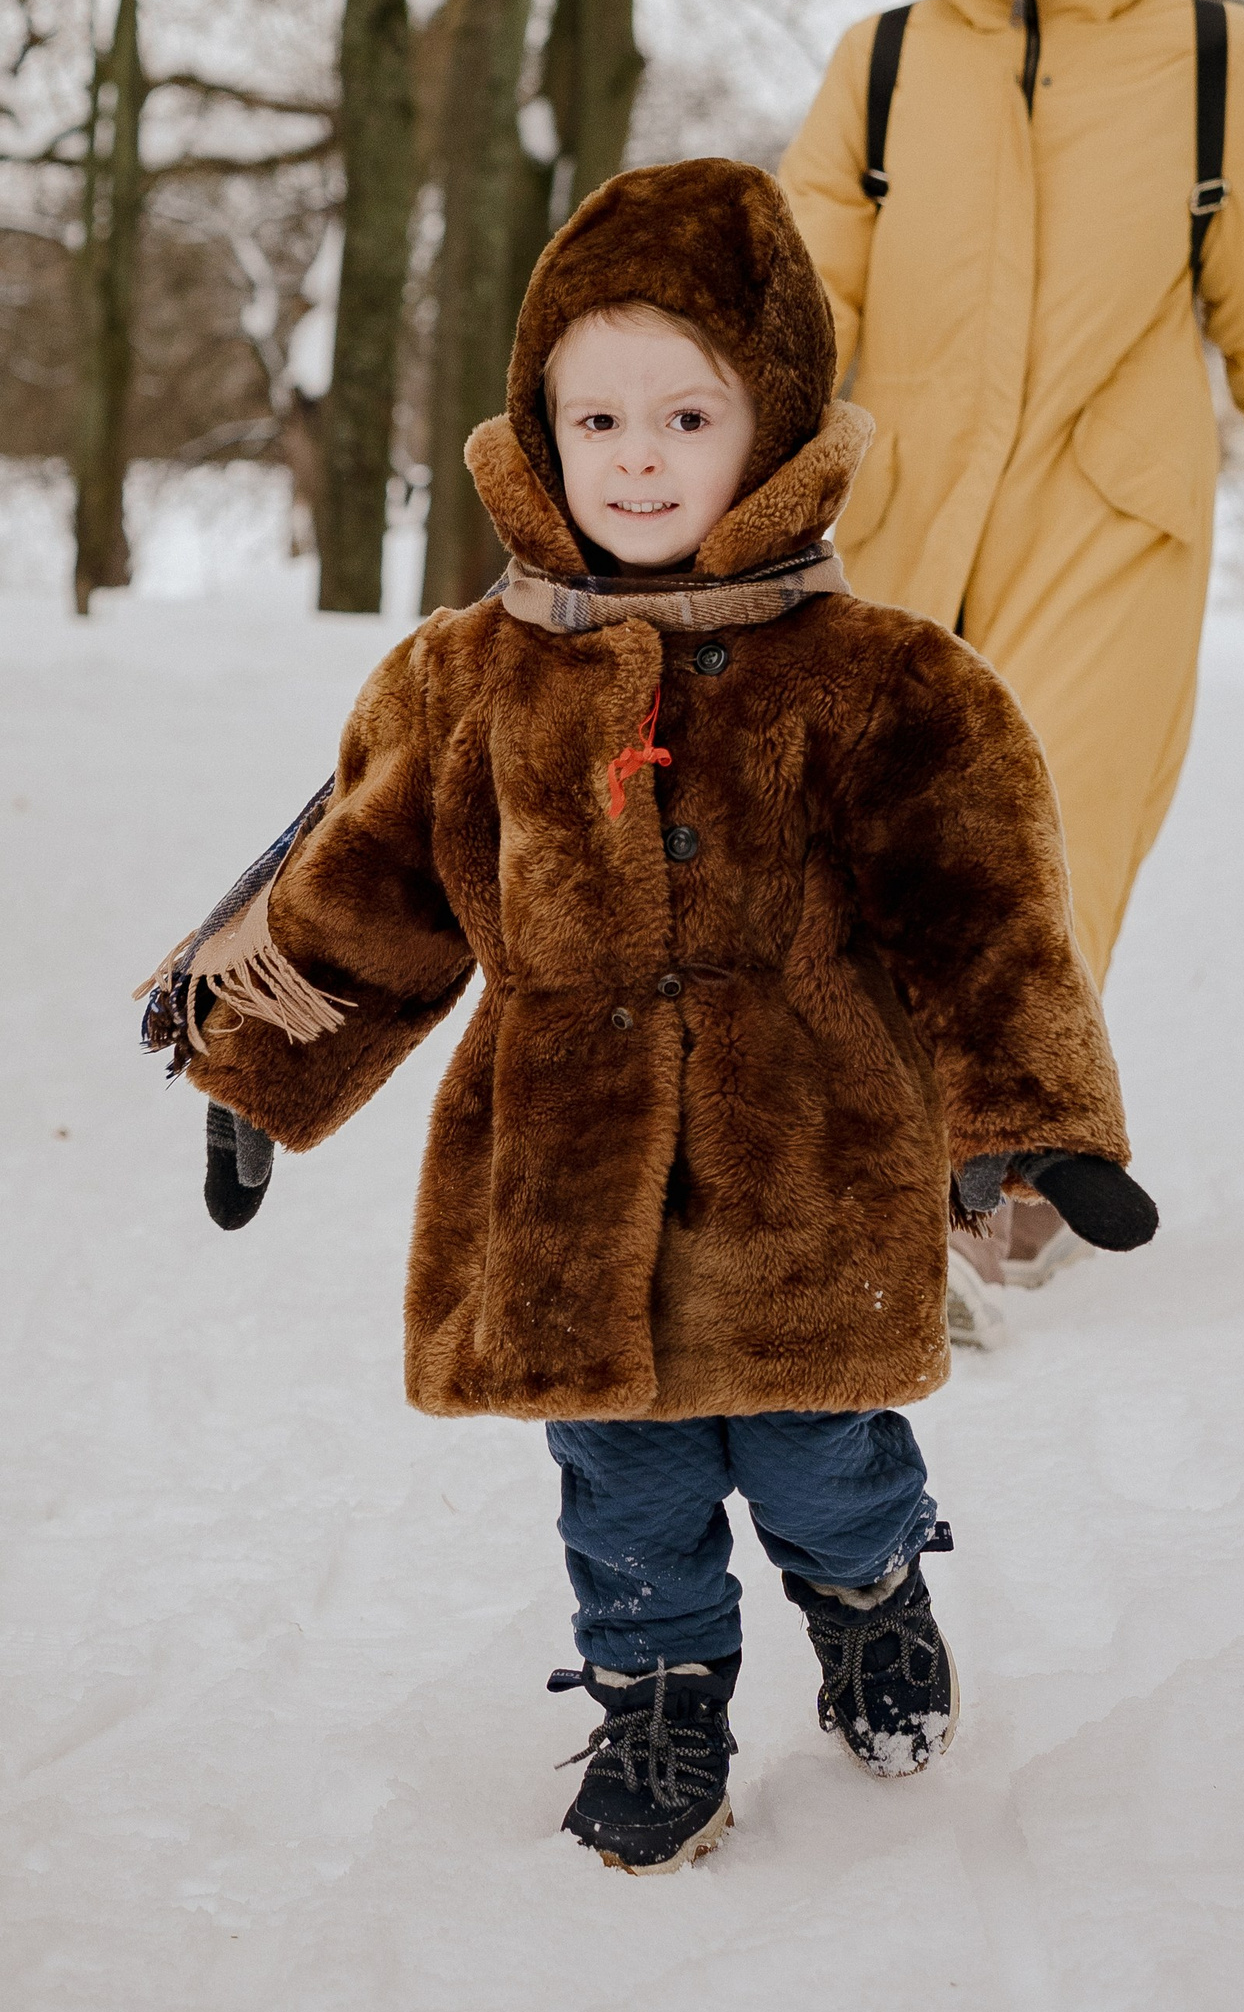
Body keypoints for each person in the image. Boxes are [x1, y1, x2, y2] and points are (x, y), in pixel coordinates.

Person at [148, 159, 1156, 1875]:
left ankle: (870, 1591)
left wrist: (1037, 1114)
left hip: (809, 1171)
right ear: (539, 427)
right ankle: (659, 1697)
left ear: (769, 425)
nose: (634, 455)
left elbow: (981, 920)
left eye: (683, 414)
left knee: (816, 1452)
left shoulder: (887, 680)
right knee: (622, 1484)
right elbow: (372, 894)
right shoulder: (472, 678)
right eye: (594, 415)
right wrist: (260, 1064)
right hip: (563, 1176)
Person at [779, 0, 1244, 1343]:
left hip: (1114, 527)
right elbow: (795, 289)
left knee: (1037, 842)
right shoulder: (881, 64)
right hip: (907, 530)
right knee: (877, 861)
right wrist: (683, 455)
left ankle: (974, 1168)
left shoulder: (1202, 56)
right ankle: (946, 1179)